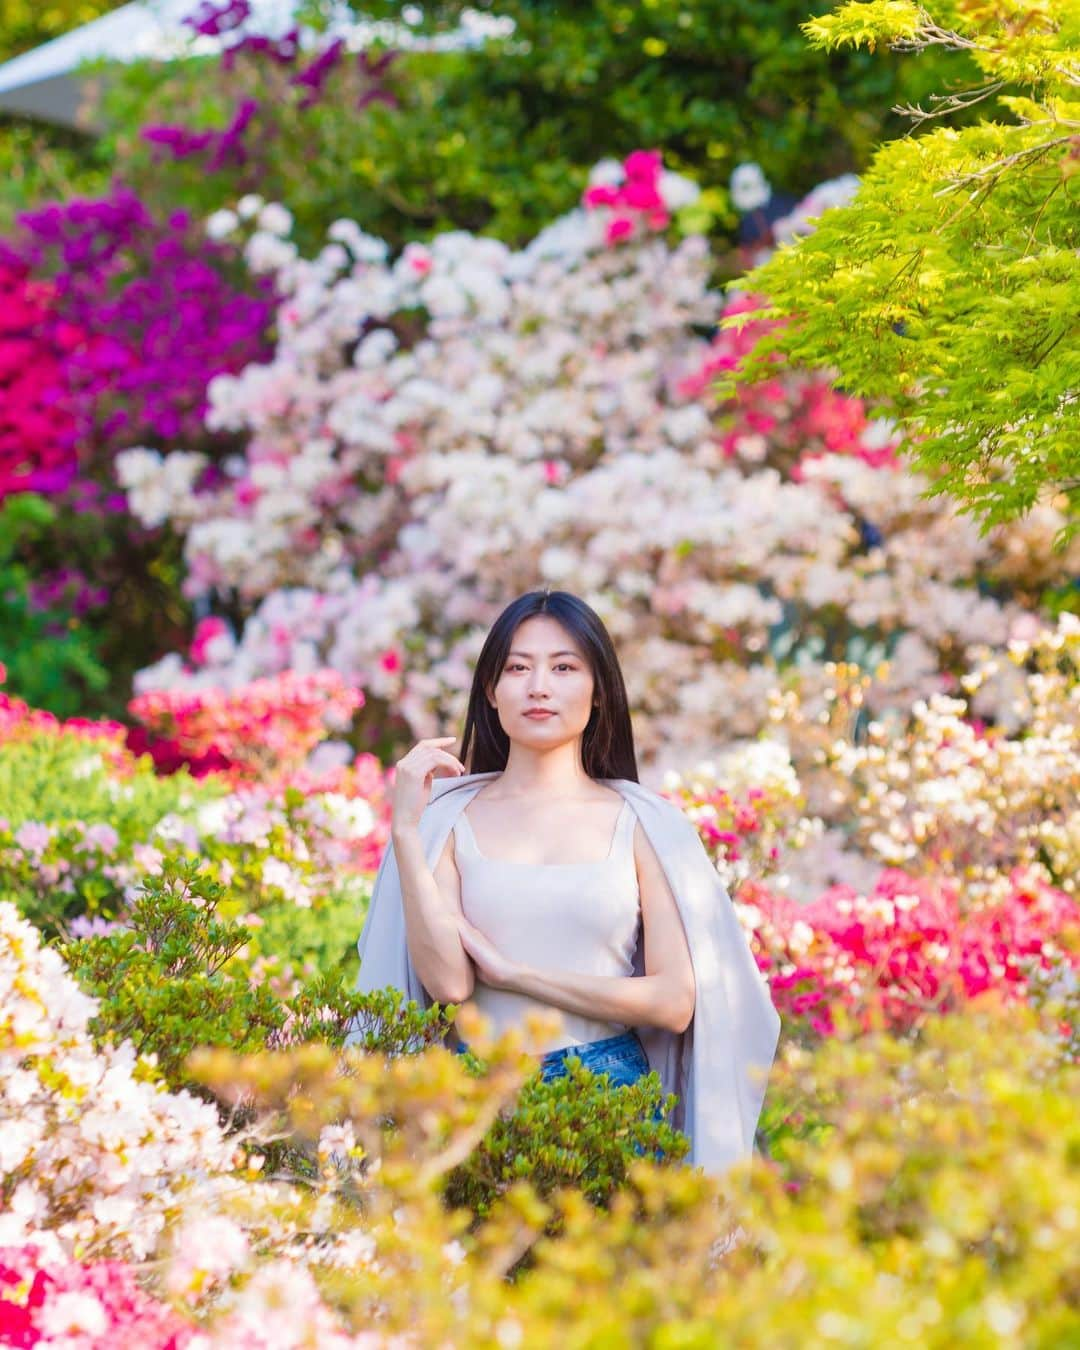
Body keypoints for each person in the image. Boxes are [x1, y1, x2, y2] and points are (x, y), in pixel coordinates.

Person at [347, 589, 781, 1176]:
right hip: (476, 1106)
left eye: (564, 667)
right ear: (492, 694)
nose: (539, 686)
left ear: (598, 691)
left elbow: (674, 1001)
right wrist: (403, 832)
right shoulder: (445, 820)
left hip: (610, 1107)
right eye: (518, 668)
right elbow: (447, 982)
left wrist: (519, 975)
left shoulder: (644, 824)